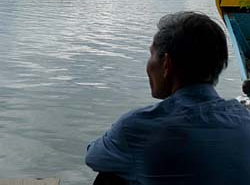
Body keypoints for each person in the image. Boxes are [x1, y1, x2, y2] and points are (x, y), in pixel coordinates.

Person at [85, 11, 250, 185]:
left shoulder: (137, 127)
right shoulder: (245, 120)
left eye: (151, 54)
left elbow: (93, 157)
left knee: (109, 178)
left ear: (166, 64)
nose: (148, 65)